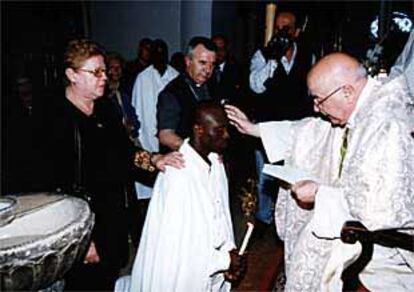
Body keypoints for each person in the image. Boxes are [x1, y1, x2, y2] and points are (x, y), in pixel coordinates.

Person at [225, 52, 414, 291]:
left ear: (346, 91)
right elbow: (312, 130)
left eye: (319, 99)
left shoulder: (389, 125)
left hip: (381, 247)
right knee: (307, 240)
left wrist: (319, 195)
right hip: (349, 220)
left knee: (311, 250)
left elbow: (380, 209)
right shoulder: (363, 107)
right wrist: (254, 129)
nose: (316, 108)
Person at [42, 39, 183, 290]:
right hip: (82, 223)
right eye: (95, 72)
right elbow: (56, 189)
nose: (104, 77)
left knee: (109, 276)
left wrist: (154, 159)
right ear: (71, 74)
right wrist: (84, 241)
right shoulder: (56, 119)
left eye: (104, 70)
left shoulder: (106, 107)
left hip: (113, 213)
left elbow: (124, 151)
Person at [130, 101, 246, 292]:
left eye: (227, 129)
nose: (226, 136)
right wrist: (225, 260)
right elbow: (181, 248)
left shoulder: (215, 162)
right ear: (198, 130)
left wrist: (229, 252)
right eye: (218, 130)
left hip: (212, 266)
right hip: (184, 276)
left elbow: (221, 216)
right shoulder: (178, 174)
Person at [249, 11, 315, 228]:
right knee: (265, 180)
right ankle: (264, 220)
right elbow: (256, 86)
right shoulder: (262, 55)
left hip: (296, 129)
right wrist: (273, 60)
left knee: (294, 176)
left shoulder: (307, 56)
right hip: (268, 128)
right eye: (278, 29)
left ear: (296, 32)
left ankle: (291, 223)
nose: (282, 34)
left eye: (286, 29)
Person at [131, 39, 179, 242]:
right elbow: (137, 107)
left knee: (169, 188)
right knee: (146, 190)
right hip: (148, 140)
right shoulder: (142, 78)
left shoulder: (174, 76)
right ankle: (147, 232)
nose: (160, 56)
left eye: (163, 52)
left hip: (169, 139)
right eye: (156, 52)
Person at [157, 36, 217, 153]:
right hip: (182, 161)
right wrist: (196, 152)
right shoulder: (172, 92)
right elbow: (165, 136)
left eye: (212, 64)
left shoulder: (213, 87)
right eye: (203, 63)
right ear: (188, 61)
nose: (208, 70)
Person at [106, 52, 140, 145]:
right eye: (112, 67)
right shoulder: (101, 96)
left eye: (119, 67)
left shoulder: (124, 94)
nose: (116, 70)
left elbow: (135, 121)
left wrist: (131, 128)